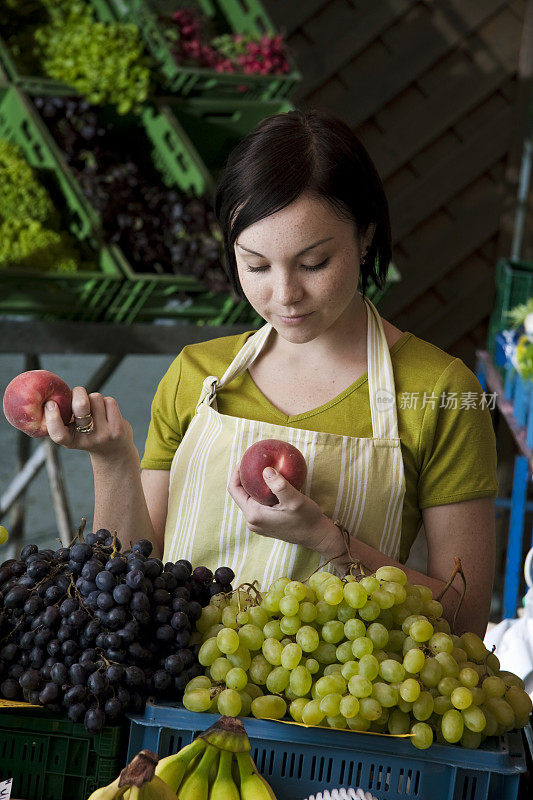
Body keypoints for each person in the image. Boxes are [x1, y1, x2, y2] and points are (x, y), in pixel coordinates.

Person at [44, 109, 497, 637]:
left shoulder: (440, 391)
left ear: (366, 237)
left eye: (313, 264)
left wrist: (329, 541)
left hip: (325, 714)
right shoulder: (198, 374)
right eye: (256, 266)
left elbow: (465, 619)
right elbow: (124, 587)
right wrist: (113, 458)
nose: (284, 295)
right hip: (175, 705)